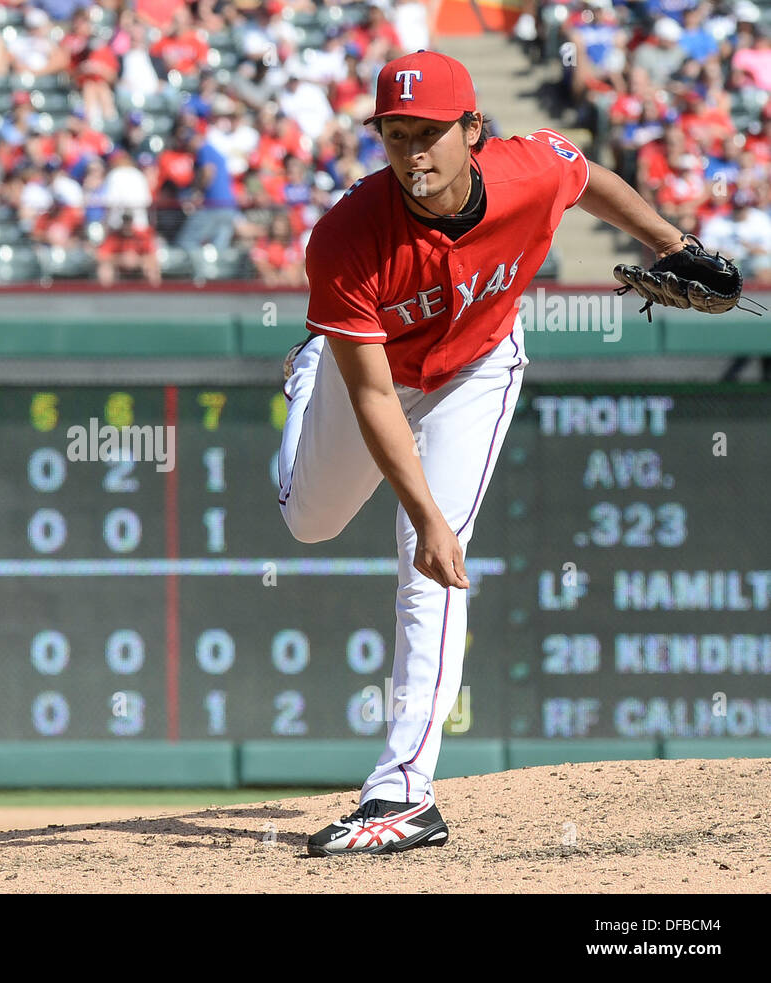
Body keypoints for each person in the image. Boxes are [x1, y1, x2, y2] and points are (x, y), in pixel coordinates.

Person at [279, 51, 710, 855]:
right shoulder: (345, 237)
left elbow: (585, 176)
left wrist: (671, 243)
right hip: (369, 378)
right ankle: (309, 365)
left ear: (473, 129)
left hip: (475, 369)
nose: (414, 152)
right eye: (396, 133)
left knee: (431, 567)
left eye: (432, 132)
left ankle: (402, 792)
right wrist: (424, 512)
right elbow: (376, 400)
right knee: (310, 523)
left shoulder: (527, 169)